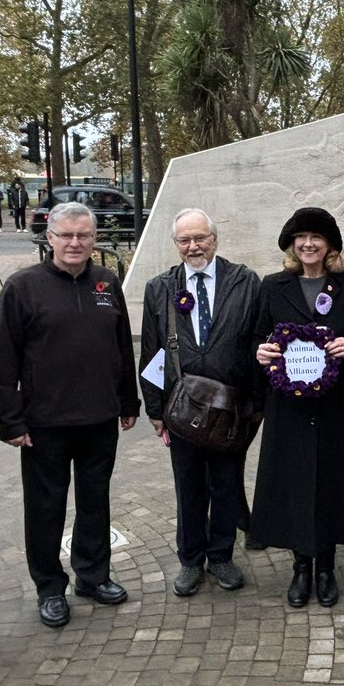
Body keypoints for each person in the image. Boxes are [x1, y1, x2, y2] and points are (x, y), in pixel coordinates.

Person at [0, 202, 139, 628]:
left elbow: (122, 347)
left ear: (94, 239)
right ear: (50, 238)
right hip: (43, 424)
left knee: (95, 502)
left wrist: (128, 401)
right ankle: (50, 587)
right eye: (66, 235)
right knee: (45, 508)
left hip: (99, 418)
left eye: (84, 235)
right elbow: (3, 364)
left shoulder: (107, 282)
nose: (75, 243)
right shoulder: (23, 288)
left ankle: (92, 576)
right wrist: (11, 421)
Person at [250, 208, 344, 607]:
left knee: (331, 485)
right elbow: (256, 338)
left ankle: (325, 566)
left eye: (317, 238)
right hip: (288, 410)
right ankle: (300, 567)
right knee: (295, 483)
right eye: (301, 237)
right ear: (292, 243)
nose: (308, 244)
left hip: (336, 407)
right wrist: (261, 351)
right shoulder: (273, 286)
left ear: (330, 246)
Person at [139, 208, 261, 597]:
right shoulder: (160, 287)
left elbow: (260, 342)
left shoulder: (245, 282)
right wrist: (155, 410)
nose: (194, 246)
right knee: (188, 488)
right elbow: (152, 355)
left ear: (215, 238)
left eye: (200, 238)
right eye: (184, 240)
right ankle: (191, 561)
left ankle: (222, 557)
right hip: (182, 411)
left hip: (231, 410)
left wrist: (258, 404)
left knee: (226, 484)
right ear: (176, 245)